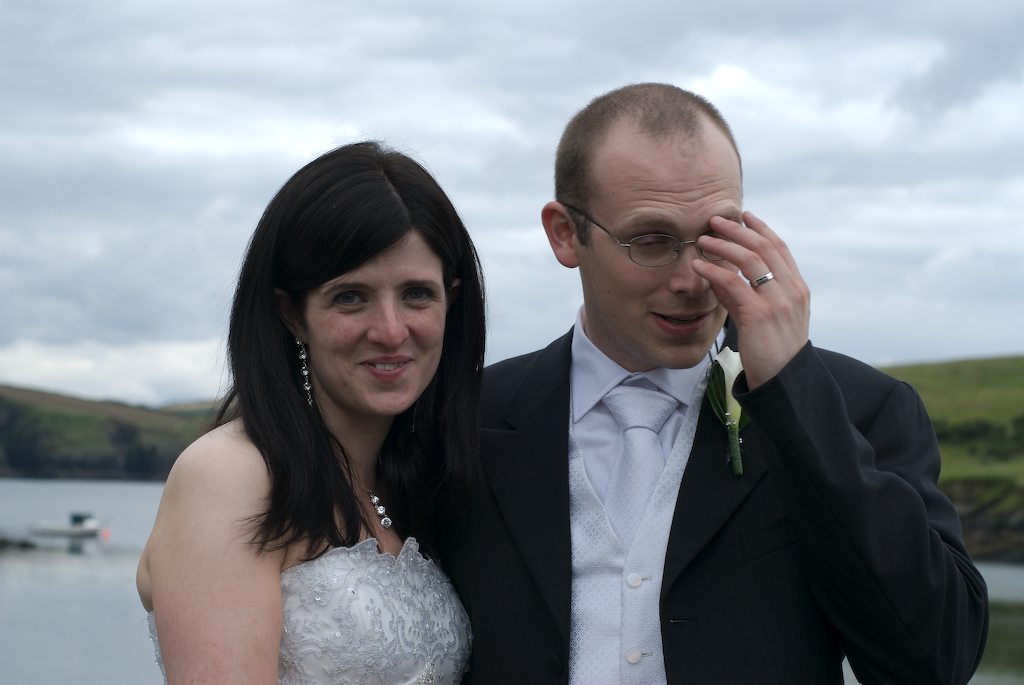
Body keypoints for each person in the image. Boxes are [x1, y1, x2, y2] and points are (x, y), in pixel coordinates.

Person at [439, 83, 988, 684]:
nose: (694, 280)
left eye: (715, 238)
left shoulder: (862, 409)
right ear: (565, 234)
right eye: (651, 240)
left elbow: (935, 662)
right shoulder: (467, 417)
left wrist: (796, 398)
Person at [136, 141, 485, 684]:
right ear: (292, 315)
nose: (391, 330)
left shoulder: (411, 482)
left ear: (451, 301)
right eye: (351, 297)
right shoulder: (230, 475)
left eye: (417, 294)